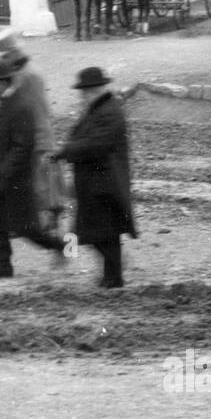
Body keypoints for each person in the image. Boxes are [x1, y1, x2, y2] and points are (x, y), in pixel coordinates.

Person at [0, 58, 67, 279]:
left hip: (15, 180)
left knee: (27, 228)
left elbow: (23, 146)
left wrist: (4, 171)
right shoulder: (7, 104)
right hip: (1, 176)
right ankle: (3, 263)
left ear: (1, 82)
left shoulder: (20, 106)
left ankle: (61, 246)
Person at [51, 67, 137, 288]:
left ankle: (114, 276)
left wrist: (64, 151)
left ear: (94, 90)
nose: (82, 96)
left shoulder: (108, 111)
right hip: (98, 182)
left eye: (85, 91)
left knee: (101, 233)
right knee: (103, 233)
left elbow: (95, 144)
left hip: (103, 183)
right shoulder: (101, 108)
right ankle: (112, 275)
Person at [0, 28, 64, 233]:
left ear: (14, 53)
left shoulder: (25, 75)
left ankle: (47, 221)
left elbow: (30, 109)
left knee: (41, 179)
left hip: (37, 132)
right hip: (39, 131)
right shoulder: (26, 71)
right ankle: (46, 218)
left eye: (6, 55)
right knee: (44, 178)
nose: (5, 59)